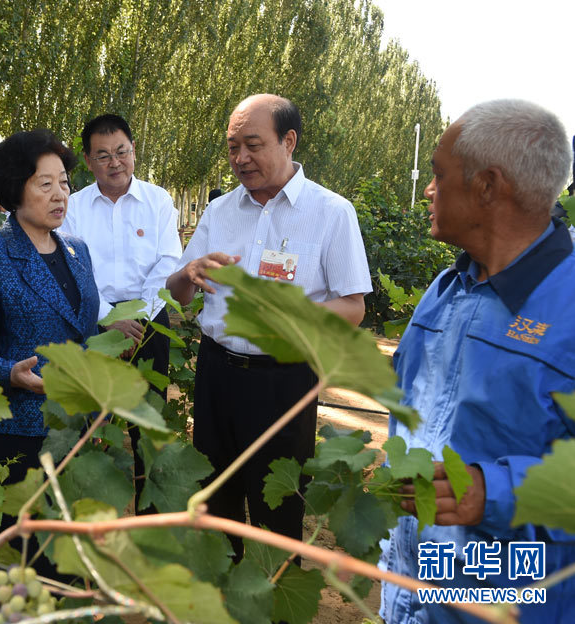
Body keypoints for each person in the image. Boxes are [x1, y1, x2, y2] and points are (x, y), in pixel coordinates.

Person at [379, 100, 575, 624]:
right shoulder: (446, 291)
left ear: (488, 186)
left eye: (439, 174)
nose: (428, 187)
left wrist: (496, 491)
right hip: (408, 595)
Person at [166, 94, 371, 555]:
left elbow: (352, 308)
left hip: (285, 381)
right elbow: (180, 292)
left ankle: (274, 599)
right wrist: (187, 273)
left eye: (253, 145)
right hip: (217, 374)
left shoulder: (331, 213)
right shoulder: (220, 212)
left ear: (289, 140)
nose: (240, 158)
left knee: (276, 508)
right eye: (232, 147)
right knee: (215, 498)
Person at [0, 129, 99, 532]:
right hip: (19, 432)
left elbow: (80, 329)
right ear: (15, 191)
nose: (60, 195)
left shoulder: (78, 250)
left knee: (70, 551)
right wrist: (10, 373)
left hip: (74, 426)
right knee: (25, 557)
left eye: (65, 183)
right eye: (45, 183)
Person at [59, 113, 181, 503]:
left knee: (146, 426)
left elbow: (167, 263)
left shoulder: (158, 200)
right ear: (88, 159)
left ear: (133, 151)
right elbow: (73, 267)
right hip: (92, 324)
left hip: (149, 324)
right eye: (104, 155)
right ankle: (94, 516)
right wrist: (109, 318)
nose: (115, 163)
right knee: (91, 424)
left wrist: (136, 318)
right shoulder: (72, 206)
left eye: (122, 152)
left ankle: (150, 520)